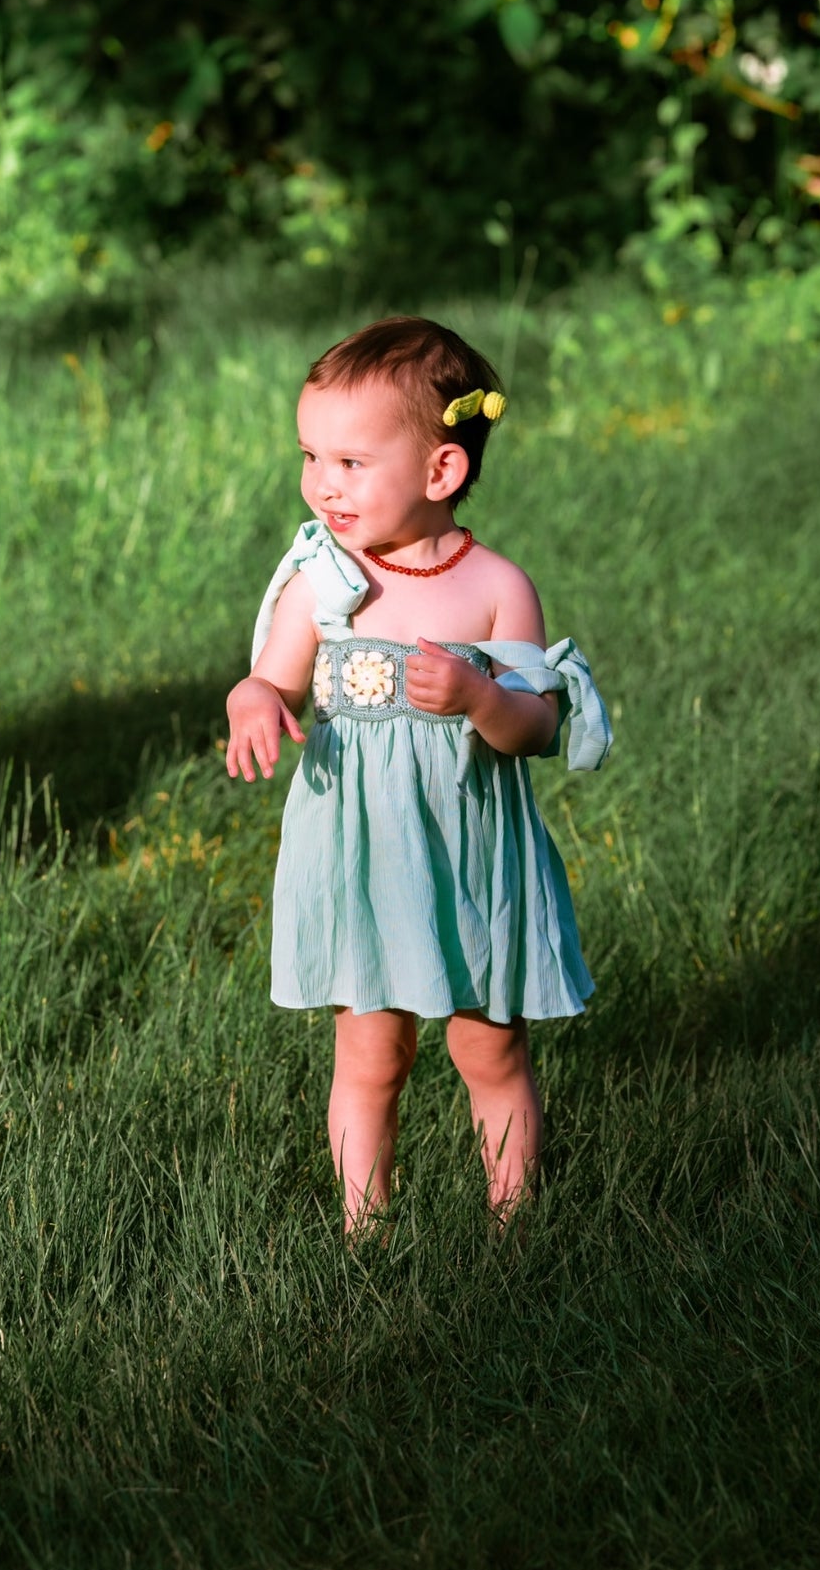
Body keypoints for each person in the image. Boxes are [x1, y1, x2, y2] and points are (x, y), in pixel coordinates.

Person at [225, 316, 611, 1237]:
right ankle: (366, 1230)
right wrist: (251, 701)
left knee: (489, 1044)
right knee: (371, 1049)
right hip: (363, 849)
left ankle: (514, 1225)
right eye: (310, 455)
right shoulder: (324, 578)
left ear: (442, 470)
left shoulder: (494, 586)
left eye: (351, 462)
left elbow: (535, 727)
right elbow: (272, 673)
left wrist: (482, 697)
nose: (323, 482)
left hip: (470, 848)